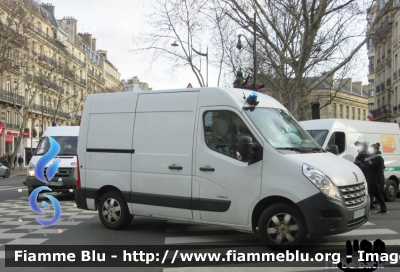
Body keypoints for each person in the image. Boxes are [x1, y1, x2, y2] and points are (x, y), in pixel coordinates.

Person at [365, 143, 388, 214]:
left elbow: (380, 171)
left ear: (376, 150)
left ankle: (383, 209)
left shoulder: (379, 159)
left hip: (375, 180)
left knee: (375, 195)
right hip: (370, 179)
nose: (370, 151)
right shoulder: (369, 158)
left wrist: (378, 182)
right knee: (373, 195)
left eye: (372, 150)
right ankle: (383, 209)